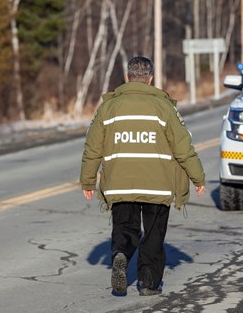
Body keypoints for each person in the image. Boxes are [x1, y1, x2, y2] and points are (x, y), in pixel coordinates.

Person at [80, 56, 205, 296]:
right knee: (154, 233)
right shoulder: (164, 107)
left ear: (127, 78)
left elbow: (93, 147)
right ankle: (148, 283)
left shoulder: (108, 107)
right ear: (150, 79)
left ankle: (121, 254)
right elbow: (182, 146)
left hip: (119, 182)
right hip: (158, 185)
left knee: (125, 226)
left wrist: (88, 181)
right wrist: (197, 177)